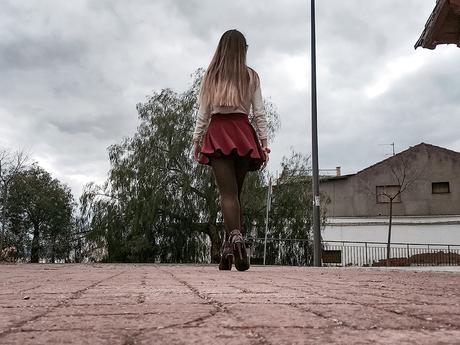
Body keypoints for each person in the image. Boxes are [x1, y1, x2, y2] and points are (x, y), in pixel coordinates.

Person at [192, 29, 270, 271]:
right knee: (235, 195)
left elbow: (203, 114)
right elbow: (259, 113)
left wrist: (196, 141)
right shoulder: (251, 76)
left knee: (227, 195)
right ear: (243, 50)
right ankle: (233, 244)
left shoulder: (211, 77)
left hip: (217, 133)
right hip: (242, 133)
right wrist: (264, 143)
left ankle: (233, 241)